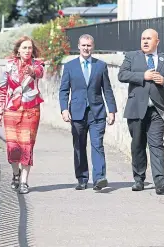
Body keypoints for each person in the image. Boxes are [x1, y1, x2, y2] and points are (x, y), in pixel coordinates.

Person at [118, 28, 164, 195]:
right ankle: (139, 179)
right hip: (136, 109)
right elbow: (122, 75)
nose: (145, 42)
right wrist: (142, 76)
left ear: (157, 42)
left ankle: (160, 180)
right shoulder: (132, 56)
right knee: (138, 144)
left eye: (149, 39)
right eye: (143, 38)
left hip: (157, 110)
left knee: (156, 144)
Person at [59, 34, 117, 191]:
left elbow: (107, 90)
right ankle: (82, 178)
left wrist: (111, 110)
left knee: (97, 144)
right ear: (78, 46)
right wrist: (64, 109)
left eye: (89, 45)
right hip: (77, 112)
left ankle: (99, 178)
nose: (86, 48)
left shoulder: (100, 66)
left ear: (93, 47)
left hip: (97, 112)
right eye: (83, 45)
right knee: (79, 145)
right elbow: (64, 90)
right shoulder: (70, 66)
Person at [0, 36, 45, 194]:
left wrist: (31, 70)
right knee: (13, 146)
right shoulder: (8, 66)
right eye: (24, 48)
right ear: (18, 50)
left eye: (30, 48)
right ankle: (15, 174)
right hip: (11, 110)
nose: (27, 51)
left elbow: (39, 73)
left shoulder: (37, 64)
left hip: (31, 110)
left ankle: (24, 181)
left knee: (26, 146)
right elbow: (2, 89)